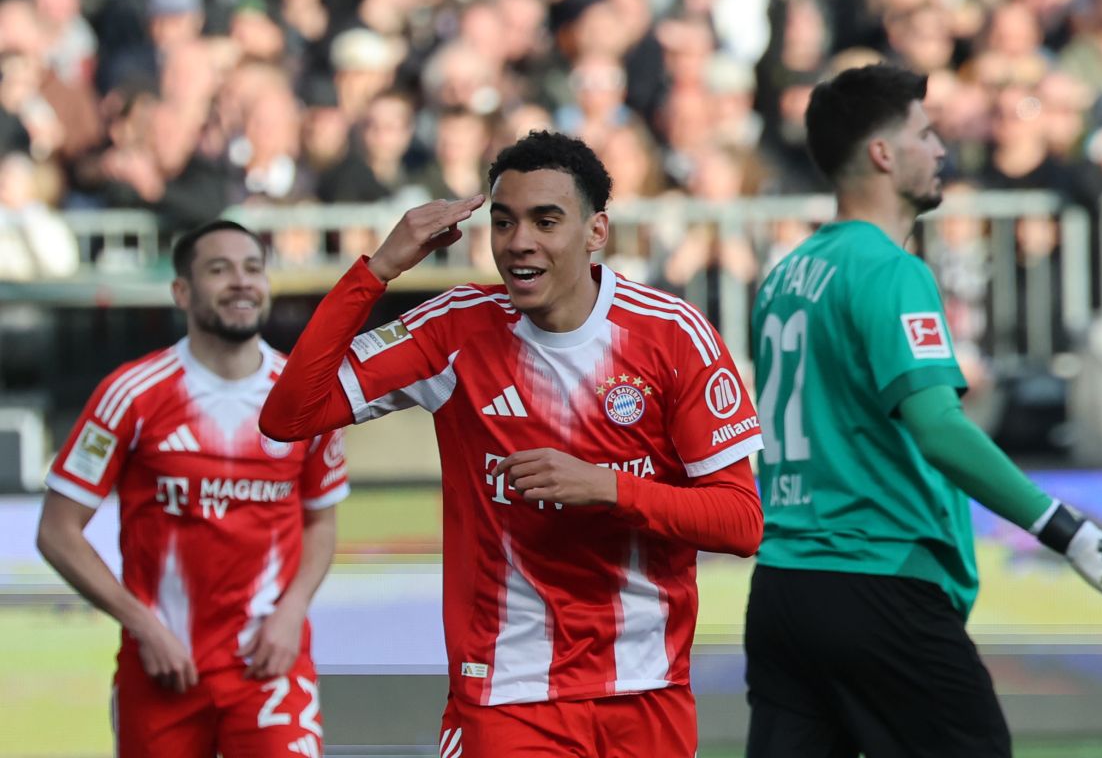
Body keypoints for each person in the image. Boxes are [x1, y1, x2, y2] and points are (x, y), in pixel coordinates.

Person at [259, 130, 764, 756]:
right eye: (504, 223)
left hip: (645, 688)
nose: (519, 242)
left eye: (545, 221)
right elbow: (289, 413)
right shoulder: (455, 328)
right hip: (506, 695)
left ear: (595, 232)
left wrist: (607, 487)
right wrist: (378, 269)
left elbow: (741, 523)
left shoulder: (672, 336)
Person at [744, 64, 1102, 758]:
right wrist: (1074, 534)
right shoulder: (891, 271)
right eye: (924, 132)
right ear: (884, 154)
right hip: (880, 578)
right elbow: (940, 427)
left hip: (784, 583)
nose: (941, 148)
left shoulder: (784, 277)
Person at [37, 221, 349, 758]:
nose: (241, 283)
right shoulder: (130, 394)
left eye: (253, 268)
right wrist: (142, 625)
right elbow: (57, 532)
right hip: (164, 666)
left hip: (268, 664)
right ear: (181, 291)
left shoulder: (307, 399)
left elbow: (320, 520)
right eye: (219, 269)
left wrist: (293, 608)